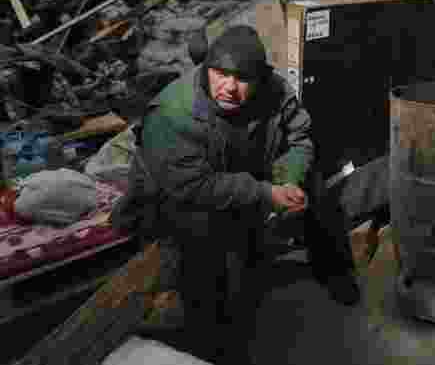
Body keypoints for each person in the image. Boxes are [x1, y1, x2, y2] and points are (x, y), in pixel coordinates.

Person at [112, 26, 359, 364]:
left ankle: (333, 271)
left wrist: (289, 180)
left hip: (241, 181)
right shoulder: (173, 113)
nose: (229, 87)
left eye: (242, 78)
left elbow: (299, 138)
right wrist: (265, 193)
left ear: (260, 77)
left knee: (315, 186)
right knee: (204, 248)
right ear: (206, 69)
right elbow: (191, 187)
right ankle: (212, 340)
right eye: (221, 74)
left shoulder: (274, 90)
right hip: (175, 202)